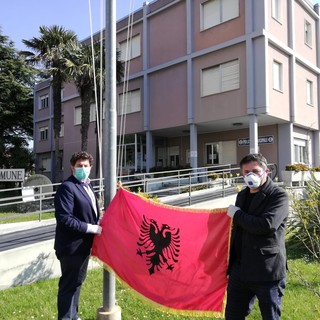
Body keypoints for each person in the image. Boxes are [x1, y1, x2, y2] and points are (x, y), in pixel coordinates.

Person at [225, 153, 289, 320]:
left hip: (267, 271)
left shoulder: (278, 195)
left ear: (266, 171)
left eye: (255, 170)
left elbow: (267, 225)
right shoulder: (242, 195)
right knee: (232, 316)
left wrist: (237, 215)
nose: (250, 175)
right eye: (246, 172)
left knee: (270, 316)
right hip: (240, 270)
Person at [54, 151, 102, 320]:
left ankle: (73, 315)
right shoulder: (68, 187)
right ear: (72, 168)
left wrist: (100, 221)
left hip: (83, 246)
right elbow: (64, 219)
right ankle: (66, 317)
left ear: (91, 167)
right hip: (71, 247)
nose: (83, 168)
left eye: (86, 166)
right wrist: (92, 228)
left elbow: (90, 212)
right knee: (69, 285)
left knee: (77, 283)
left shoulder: (88, 185)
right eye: (79, 166)